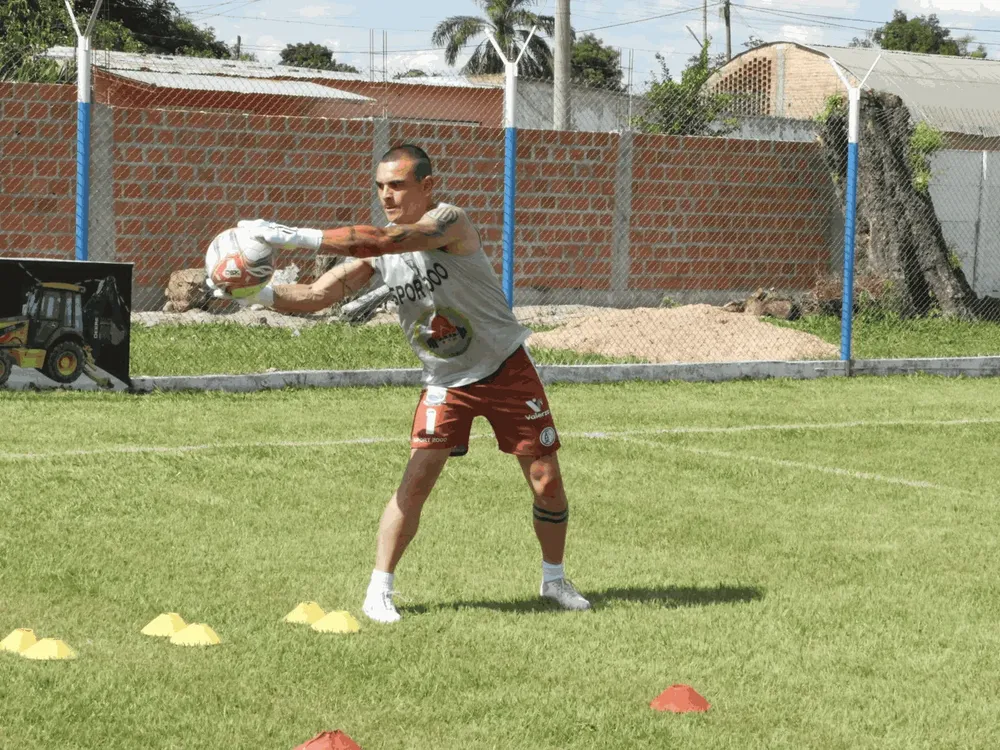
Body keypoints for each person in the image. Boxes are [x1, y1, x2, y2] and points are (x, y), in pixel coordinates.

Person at [210, 144, 590, 624]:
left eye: (398, 185)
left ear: (428, 187)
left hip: (506, 366)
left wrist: (290, 236)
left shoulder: (449, 221)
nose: (387, 196)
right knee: (416, 482)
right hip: (445, 381)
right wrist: (253, 291)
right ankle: (379, 590)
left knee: (546, 481)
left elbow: (386, 241)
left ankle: (553, 580)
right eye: (380, 187)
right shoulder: (379, 246)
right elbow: (314, 295)